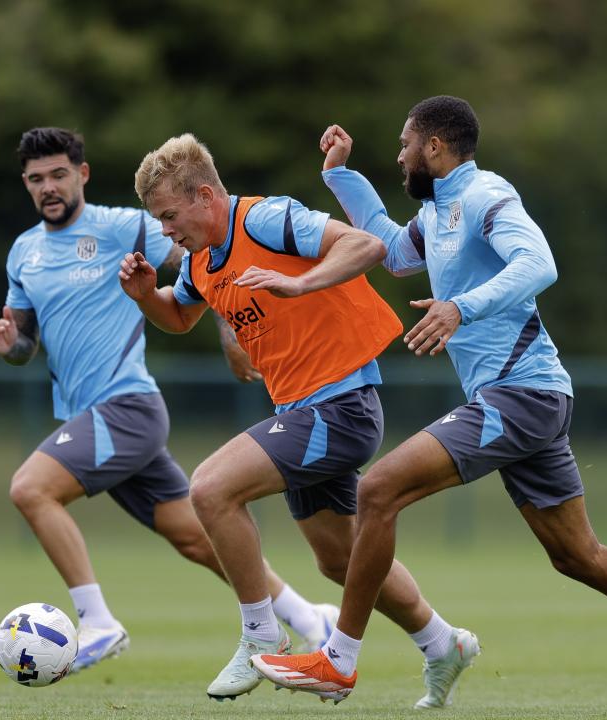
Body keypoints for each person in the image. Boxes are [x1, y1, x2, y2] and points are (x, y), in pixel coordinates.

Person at [252, 96, 607, 713]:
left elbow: (539, 263)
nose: (398, 155)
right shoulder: (441, 210)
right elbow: (392, 253)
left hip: (521, 395)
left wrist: (460, 307)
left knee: (378, 490)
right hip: (528, 399)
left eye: (404, 144)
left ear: (434, 148)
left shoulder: (486, 195)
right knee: (579, 556)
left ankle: (337, 660)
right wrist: (340, 176)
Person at [118, 133, 477, 705]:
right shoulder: (202, 261)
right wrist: (144, 297)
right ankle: (442, 643)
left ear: (204, 195)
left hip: (342, 407)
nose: (164, 230)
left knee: (209, 488)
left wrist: (298, 281)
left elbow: (364, 246)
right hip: (301, 411)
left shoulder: (266, 219)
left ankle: (261, 632)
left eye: (168, 215)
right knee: (340, 560)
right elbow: (179, 317)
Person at [0, 127, 338, 675]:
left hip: (125, 407)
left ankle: (98, 622)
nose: (47, 187)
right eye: (36, 179)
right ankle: (308, 616)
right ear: (26, 185)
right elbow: (25, 343)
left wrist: (231, 331)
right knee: (198, 542)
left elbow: (204, 263)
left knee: (30, 489)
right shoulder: (23, 252)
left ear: (81, 174)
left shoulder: (123, 227)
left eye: (58, 174)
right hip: (90, 417)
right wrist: (12, 347)